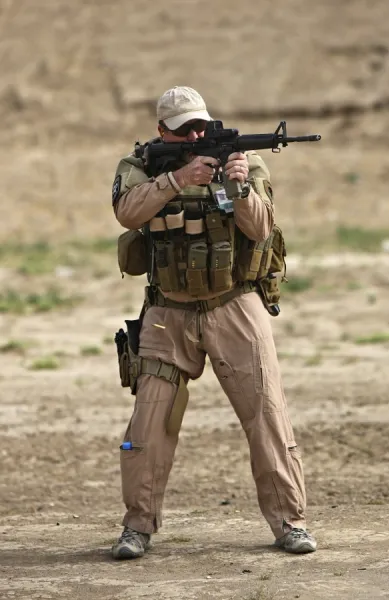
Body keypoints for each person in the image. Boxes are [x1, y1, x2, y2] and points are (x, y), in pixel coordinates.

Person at [110, 86, 317, 559]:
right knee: (148, 423)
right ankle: (137, 527)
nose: (198, 134)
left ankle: (290, 522)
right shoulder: (142, 164)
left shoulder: (242, 162)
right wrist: (180, 178)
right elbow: (126, 212)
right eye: (185, 130)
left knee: (267, 415)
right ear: (163, 130)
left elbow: (261, 228)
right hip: (169, 312)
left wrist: (237, 186)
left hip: (234, 305)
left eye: (201, 126)